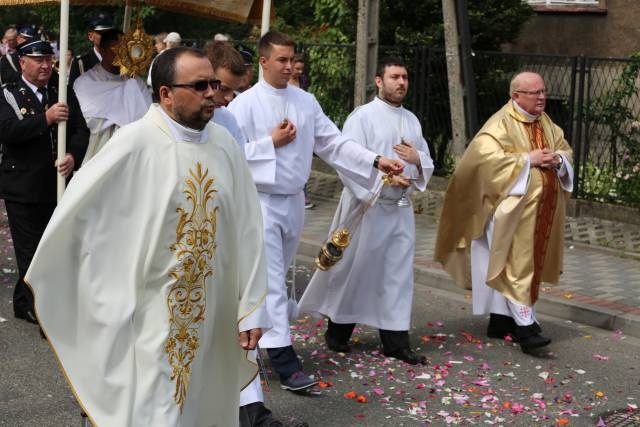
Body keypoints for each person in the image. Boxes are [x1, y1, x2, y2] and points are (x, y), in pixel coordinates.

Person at [25, 47, 269, 426]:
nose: (211, 93)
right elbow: (81, 215)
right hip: (153, 311)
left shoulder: (224, 145)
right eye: (200, 85)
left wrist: (251, 305)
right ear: (166, 94)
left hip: (213, 311)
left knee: (201, 403)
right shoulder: (134, 142)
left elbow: (249, 227)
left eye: (214, 84)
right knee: (158, 407)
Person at [228, 31, 404, 393]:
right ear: (263, 62)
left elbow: (334, 143)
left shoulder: (305, 101)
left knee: (278, 279)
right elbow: (228, 156)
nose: (290, 65)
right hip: (259, 201)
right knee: (272, 281)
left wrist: (374, 160)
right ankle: (284, 361)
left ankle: (255, 341)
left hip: (292, 200)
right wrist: (269, 144)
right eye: (282, 59)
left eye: (292, 58)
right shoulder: (242, 106)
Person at [299, 57, 434, 365]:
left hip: (399, 209)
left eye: (405, 77)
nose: (401, 82)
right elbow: (347, 160)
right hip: (366, 207)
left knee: (397, 275)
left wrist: (416, 160)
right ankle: (338, 332)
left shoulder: (412, 120)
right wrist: (381, 180)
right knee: (355, 271)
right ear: (379, 81)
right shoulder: (363, 117)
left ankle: (395, 341)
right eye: (395, 76)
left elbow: (424, 159)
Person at [434, 71, 574, 355]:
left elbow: (565, 150)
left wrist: (558, 159)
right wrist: (527, 160)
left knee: (528, 262)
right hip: (508, 211)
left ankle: (501, 322)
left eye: (543, 91)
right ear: (516, 96)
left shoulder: (545, 122)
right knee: (516, 263)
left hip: (540, 210)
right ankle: (526, 328)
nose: (542, 97)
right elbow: (483, 162)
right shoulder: (499, 124)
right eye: (535, 93)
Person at [0, 39, 88, 325]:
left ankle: (23, 301)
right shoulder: (10, 94)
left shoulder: (61, 91)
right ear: (23, 63)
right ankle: (38, 307)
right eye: (38, 60)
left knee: (49, 245)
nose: (45, 65)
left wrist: (73, 156)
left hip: (56, 184)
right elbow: (9, 130)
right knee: (31, 248)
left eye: (49, 60)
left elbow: (80, 129)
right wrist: (46, 119)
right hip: (23, 186)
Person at [73, 29, 151, 164]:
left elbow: (148, 117)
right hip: (98, 153)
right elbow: (87, 120)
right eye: (115, 49)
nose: (121, 53)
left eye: (124, 48)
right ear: (102, 50)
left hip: (132, 154)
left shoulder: (136, 83)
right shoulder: (85, 82)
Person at [204, 40, 246, 145]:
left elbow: (239, 158)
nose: (230, 98)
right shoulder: (178, 116)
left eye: (234, 90)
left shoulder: (228, 120)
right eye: (223, 89)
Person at [287, 54, 313, 208]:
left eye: (301, 70)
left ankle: (304, 193)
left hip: (301, 124)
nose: (299, 72)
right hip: (288, 125)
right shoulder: (284, 83)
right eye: (297, 68)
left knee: (303, 158)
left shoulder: (302, 82)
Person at [68, 14, 114, 85]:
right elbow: (72, 94)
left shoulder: (119, 60)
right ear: (90, 36)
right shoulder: (81, 63)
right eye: (101, 33)